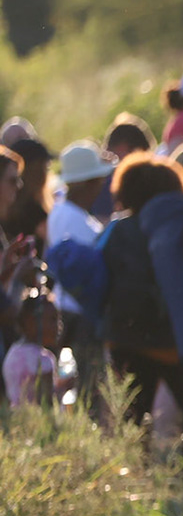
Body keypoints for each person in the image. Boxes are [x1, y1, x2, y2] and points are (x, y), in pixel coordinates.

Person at [100, 154, 183, 499]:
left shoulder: (118, 230)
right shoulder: (181, 225)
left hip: (125, 340)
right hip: (173, 342)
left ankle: (135, 488)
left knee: (133, 422)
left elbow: (101, 278)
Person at [47, 142, 110, 395]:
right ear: (85, 183)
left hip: (67, 308)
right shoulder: (76, 219)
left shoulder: (61, 212)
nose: (100, 187)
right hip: (81, 313)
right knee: (89, 380)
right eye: (96, 180)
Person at [3, 291, 73, 409]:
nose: (59, 326)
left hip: (16, 421)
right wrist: (63, 388)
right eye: (53, 319)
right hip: (39, 425)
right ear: (31, 322)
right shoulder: (44, 359)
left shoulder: (12, 352)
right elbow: (47, 405)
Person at [1, 137, 53, 243]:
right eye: (45, 167)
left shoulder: (10, 211)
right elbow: (53, 243)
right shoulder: (34, 212)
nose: (19, 185)